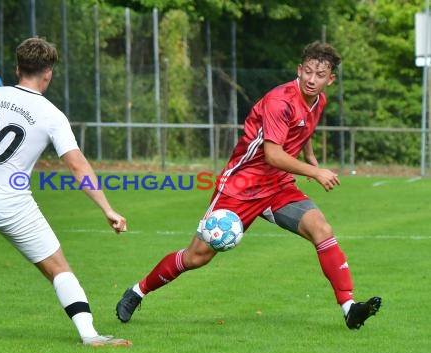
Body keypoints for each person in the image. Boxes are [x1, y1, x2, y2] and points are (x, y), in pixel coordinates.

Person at [116, 41, 381, 330]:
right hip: (241, 186)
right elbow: (274, 154)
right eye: (308, 72)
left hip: (278, 185)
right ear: (299, 70)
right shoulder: (280, 101)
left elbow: (304, 130)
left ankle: (349, 308)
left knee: (322, 229)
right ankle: (138, 291)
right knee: (196, 257)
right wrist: (315, 173)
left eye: (320, 75)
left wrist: (311, 159)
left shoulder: (319, 101)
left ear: (330, 79)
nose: (312, 79)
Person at [0, 37, 131, 346]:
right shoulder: (51, 114)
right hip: (10, 204)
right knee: (57, 268)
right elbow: (77, 166)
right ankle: (90, 334)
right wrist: (107, 208)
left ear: (18, 69)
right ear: (48, 73)